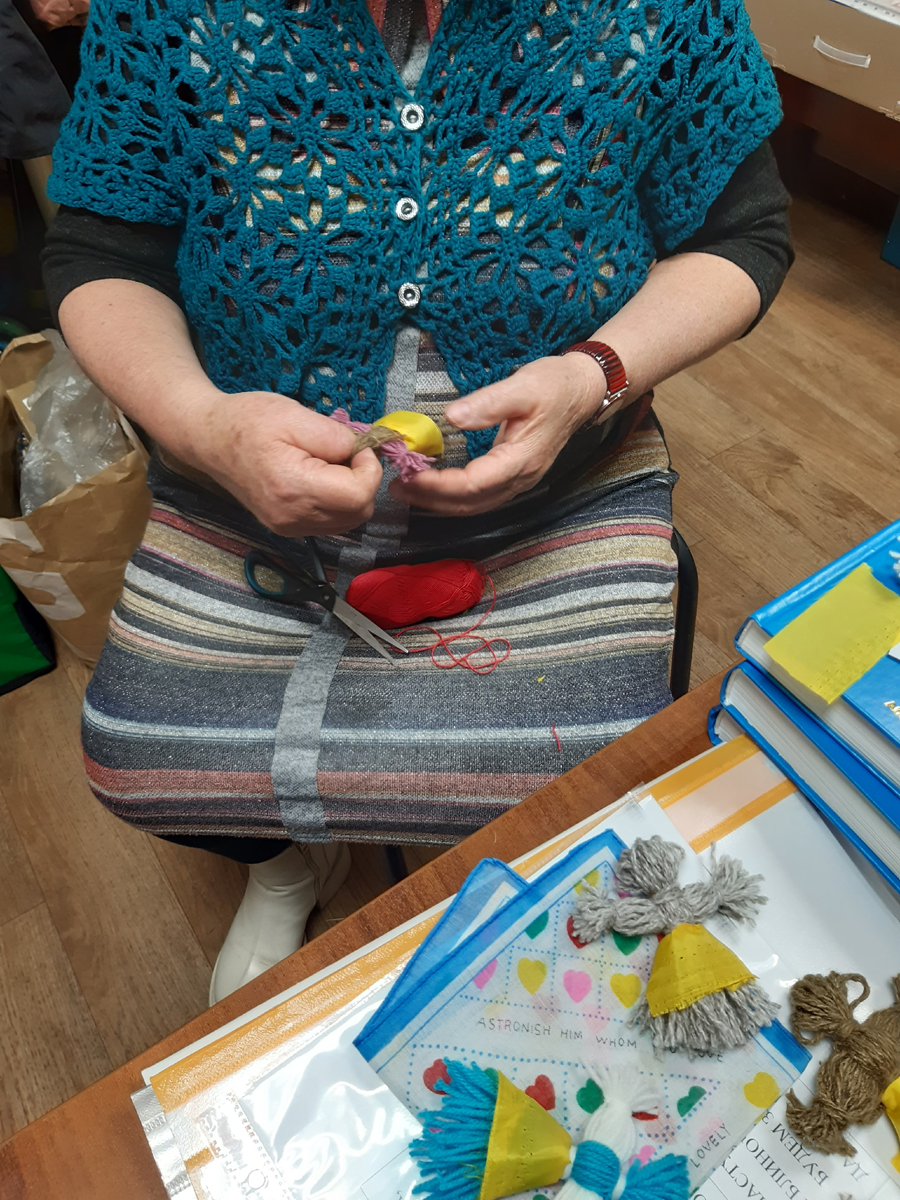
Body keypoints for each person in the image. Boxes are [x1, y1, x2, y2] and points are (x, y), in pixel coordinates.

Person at [43, 0, 792, 1003]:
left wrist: (594, 376)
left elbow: (742, 236)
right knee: (140, 755)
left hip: (559, 485)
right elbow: (104, 256)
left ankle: (484, 885)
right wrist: (203, 425)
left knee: (585, 766)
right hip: (246, 488)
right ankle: (285, 867)